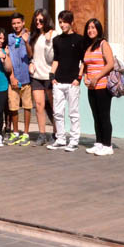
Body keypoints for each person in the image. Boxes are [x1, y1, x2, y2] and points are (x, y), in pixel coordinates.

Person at [49, 10, 85, 152]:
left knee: (73, 112)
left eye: (64, 22)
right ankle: (61, 139)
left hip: (72, 82)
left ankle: (74, 140)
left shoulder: (79, 40)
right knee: (57, 112)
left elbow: (84, 62)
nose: (62, 25)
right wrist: (52, 76)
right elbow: (56, 59)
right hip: (58, 82)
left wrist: (78, 78)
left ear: (71, 22)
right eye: (60, 22)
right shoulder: (56, 40)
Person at [82, 18, 117, 156]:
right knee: (96, 116)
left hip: (102, 86)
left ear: (99, 30)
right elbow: (87, 65)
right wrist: (86, 76)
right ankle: (99, 143)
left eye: (93, 27)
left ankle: (108, 145)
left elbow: (110, 64)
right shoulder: (89, 46)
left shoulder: (103, 44)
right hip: (91, 87)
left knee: (104, 116)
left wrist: (97, 77)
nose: (90, 30)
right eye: (88, 28)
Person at [28, 8, 55, 146]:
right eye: (36, 20)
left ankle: (57, 133)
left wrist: (49, 42)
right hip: (37, 76)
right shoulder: (34, 36)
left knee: (53, 106)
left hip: (49, 75)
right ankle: (42, 134)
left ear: (46, 20)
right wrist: (31, 63)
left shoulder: (52, 34)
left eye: (41, 20)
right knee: (39, 105)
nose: (38, 22)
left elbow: (52, 58)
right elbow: (34, 56)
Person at [6, 13, 33, 146]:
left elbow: (30, 54)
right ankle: (15, 132)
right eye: (14, 23)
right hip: (14, 79)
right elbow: (8, 56)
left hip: (26, 78)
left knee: (27, 106)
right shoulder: (9, 37)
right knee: (13, 107)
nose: (16, 25)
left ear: (23, 23)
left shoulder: (28, 36)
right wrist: (11, 76)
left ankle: (26, 133)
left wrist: (26, 41)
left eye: (18, 23)